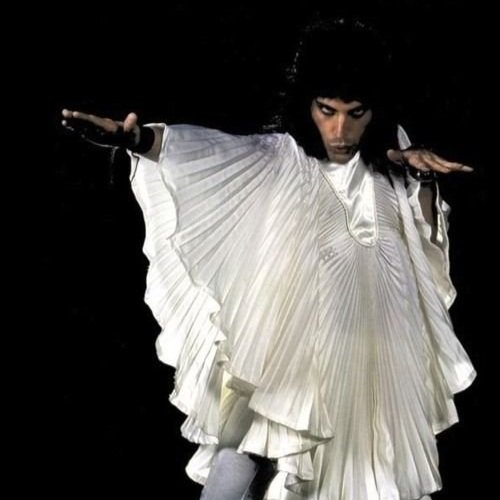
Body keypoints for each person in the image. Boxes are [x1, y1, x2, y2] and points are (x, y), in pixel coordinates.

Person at [61, 17, 475, 500]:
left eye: (356, 113)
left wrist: (421, 178)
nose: (340, 129)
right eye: (327, 110)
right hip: (291, 344)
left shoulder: (392, 164)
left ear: (374, 110)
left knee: (367, 472)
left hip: (370, 356)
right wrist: (137, 140)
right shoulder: (281, 158)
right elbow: (213, 154)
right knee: (250, 447)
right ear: (308, 103)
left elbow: (425, 249)